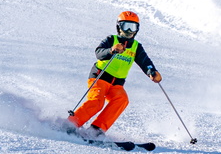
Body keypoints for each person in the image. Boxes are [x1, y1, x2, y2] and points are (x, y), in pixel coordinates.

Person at [68, 10, 162, 140]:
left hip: (117, 83)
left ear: (137, 29)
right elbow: (99, 53)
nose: (129, 30)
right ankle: (71, 124)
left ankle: (96, 129)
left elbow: (145, 62)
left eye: (132, 27)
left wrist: (152, 72)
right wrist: (111, 50)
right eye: (125, 26)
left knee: (122, 99)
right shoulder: (112, 39)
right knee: (97, 102)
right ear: (118, 27)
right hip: (100, 76)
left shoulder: (136, 47)